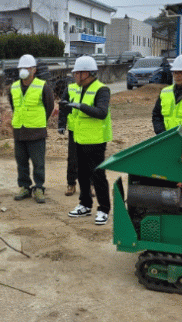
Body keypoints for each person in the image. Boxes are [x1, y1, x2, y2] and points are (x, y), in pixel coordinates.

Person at [60, 56, 112, 225]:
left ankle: (104, 209)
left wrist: (80, 106)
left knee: (98, 175)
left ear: (87, 73)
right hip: (79, 138)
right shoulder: (77, 89)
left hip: (95, 140)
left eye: (77, 73)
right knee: (82, 173)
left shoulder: (102, 90)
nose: (75, 76)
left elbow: (102, 112)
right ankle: (85, 204)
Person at [9, 54, 54, 204]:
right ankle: (24, 187)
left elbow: (49, 106)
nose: (24, 70)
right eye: (21, 68)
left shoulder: (43, 86)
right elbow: (14, 106)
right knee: (21, 162)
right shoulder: (14, 87)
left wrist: (39, 120)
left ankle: (39, 187)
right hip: (19, 132)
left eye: (27, 68)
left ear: (34, 70)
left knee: (38, 163)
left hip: (36, 132)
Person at [58, 81, 80, 197]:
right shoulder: (70, 88)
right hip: (74, 129)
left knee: (90, 159)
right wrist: (62, 125)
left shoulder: (94, 88)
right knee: (72, 159)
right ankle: (71, 184)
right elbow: (63, 107)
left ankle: (90, 184)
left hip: (90, 130)